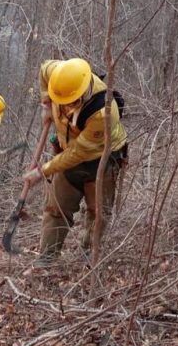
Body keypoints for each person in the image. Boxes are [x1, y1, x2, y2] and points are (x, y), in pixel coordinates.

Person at [22, 58, 127, 267]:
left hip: (100, 160)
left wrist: (42, 171)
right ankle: (47, 258)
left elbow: (78, 153)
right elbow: (44, 69)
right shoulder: (58, 73)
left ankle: (90, 256)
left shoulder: (103, 112)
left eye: (68, 102)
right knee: (55, 207)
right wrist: (46, 104)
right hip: (67, 151)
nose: (62, 106)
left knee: (98, 212)